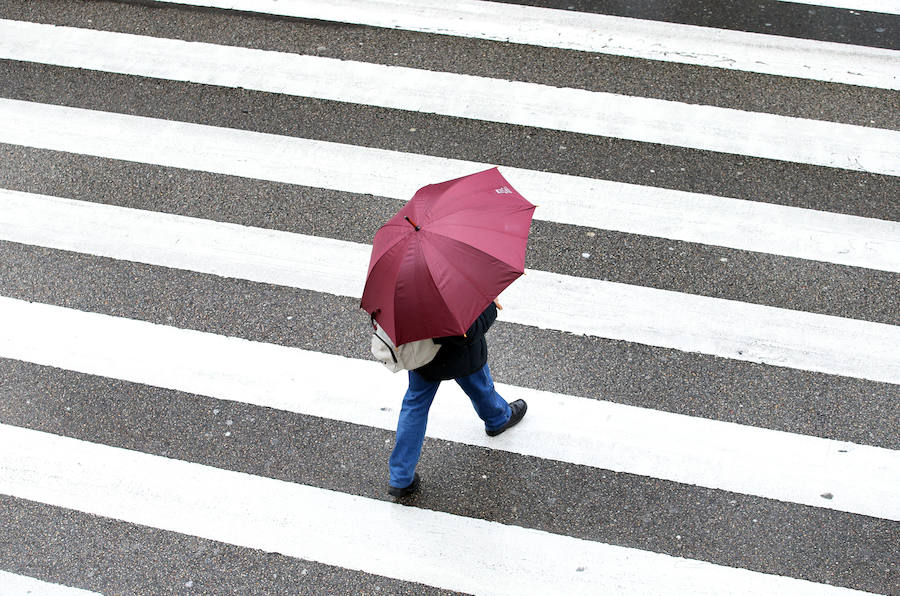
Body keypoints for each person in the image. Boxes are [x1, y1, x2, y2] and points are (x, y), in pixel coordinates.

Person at [388, 300, 527, 498]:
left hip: (422, 357)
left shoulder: (405, 291)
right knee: (479, 387)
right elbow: (470, 331)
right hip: (462, 356)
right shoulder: (454, 290)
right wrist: (489, 306)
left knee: (415, 405)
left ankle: (400, 478)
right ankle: (497, 419)